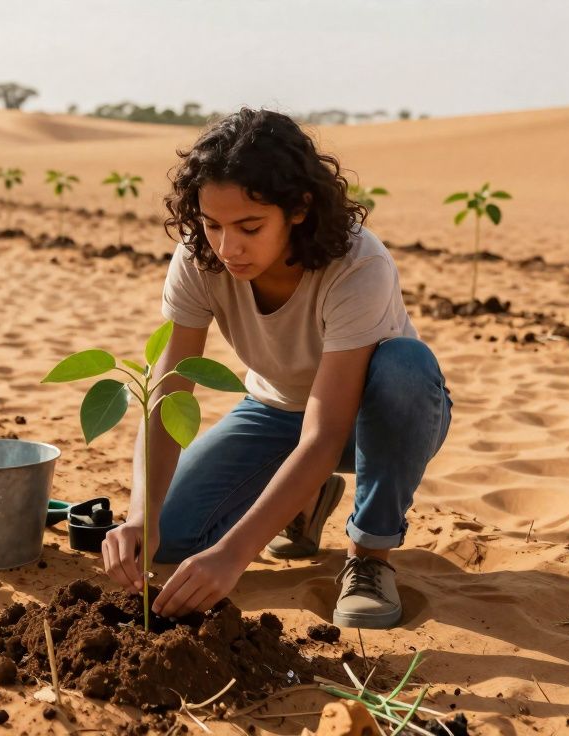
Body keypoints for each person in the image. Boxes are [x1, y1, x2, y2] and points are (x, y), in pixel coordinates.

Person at [100, 107, 453, 629]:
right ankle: (307, 501)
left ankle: (369, 557)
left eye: (249, 226)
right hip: (272, 412)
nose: (228, 247)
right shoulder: (199, 260)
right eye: (212, 223)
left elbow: (325, 432)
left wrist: (236, 554)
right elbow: (171, 390)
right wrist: (140, 515)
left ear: (299, 209)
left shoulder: (358, 266)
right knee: (168, 537)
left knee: (406, 366)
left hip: (375, 419)